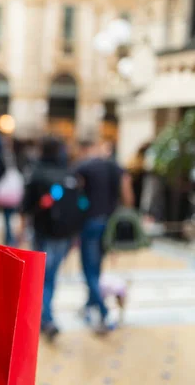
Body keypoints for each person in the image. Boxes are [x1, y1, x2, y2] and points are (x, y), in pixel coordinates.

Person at [17, 136, 79, 341]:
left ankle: (44, 317)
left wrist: (21, 230)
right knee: (50, 276)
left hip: (43, 231)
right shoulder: (68, 172)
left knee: (42, 276)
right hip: (65, 233)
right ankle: (45, 316)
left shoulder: (36, 172)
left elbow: (26, 206)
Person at [75, 139, 133, 333]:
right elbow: (127, 191)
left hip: (89, 222)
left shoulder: (85, 166)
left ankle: (103, 310)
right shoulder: (114, 167)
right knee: (97, 266)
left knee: (88, 270)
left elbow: (72, 190)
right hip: (108, 222)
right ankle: (90, 304)